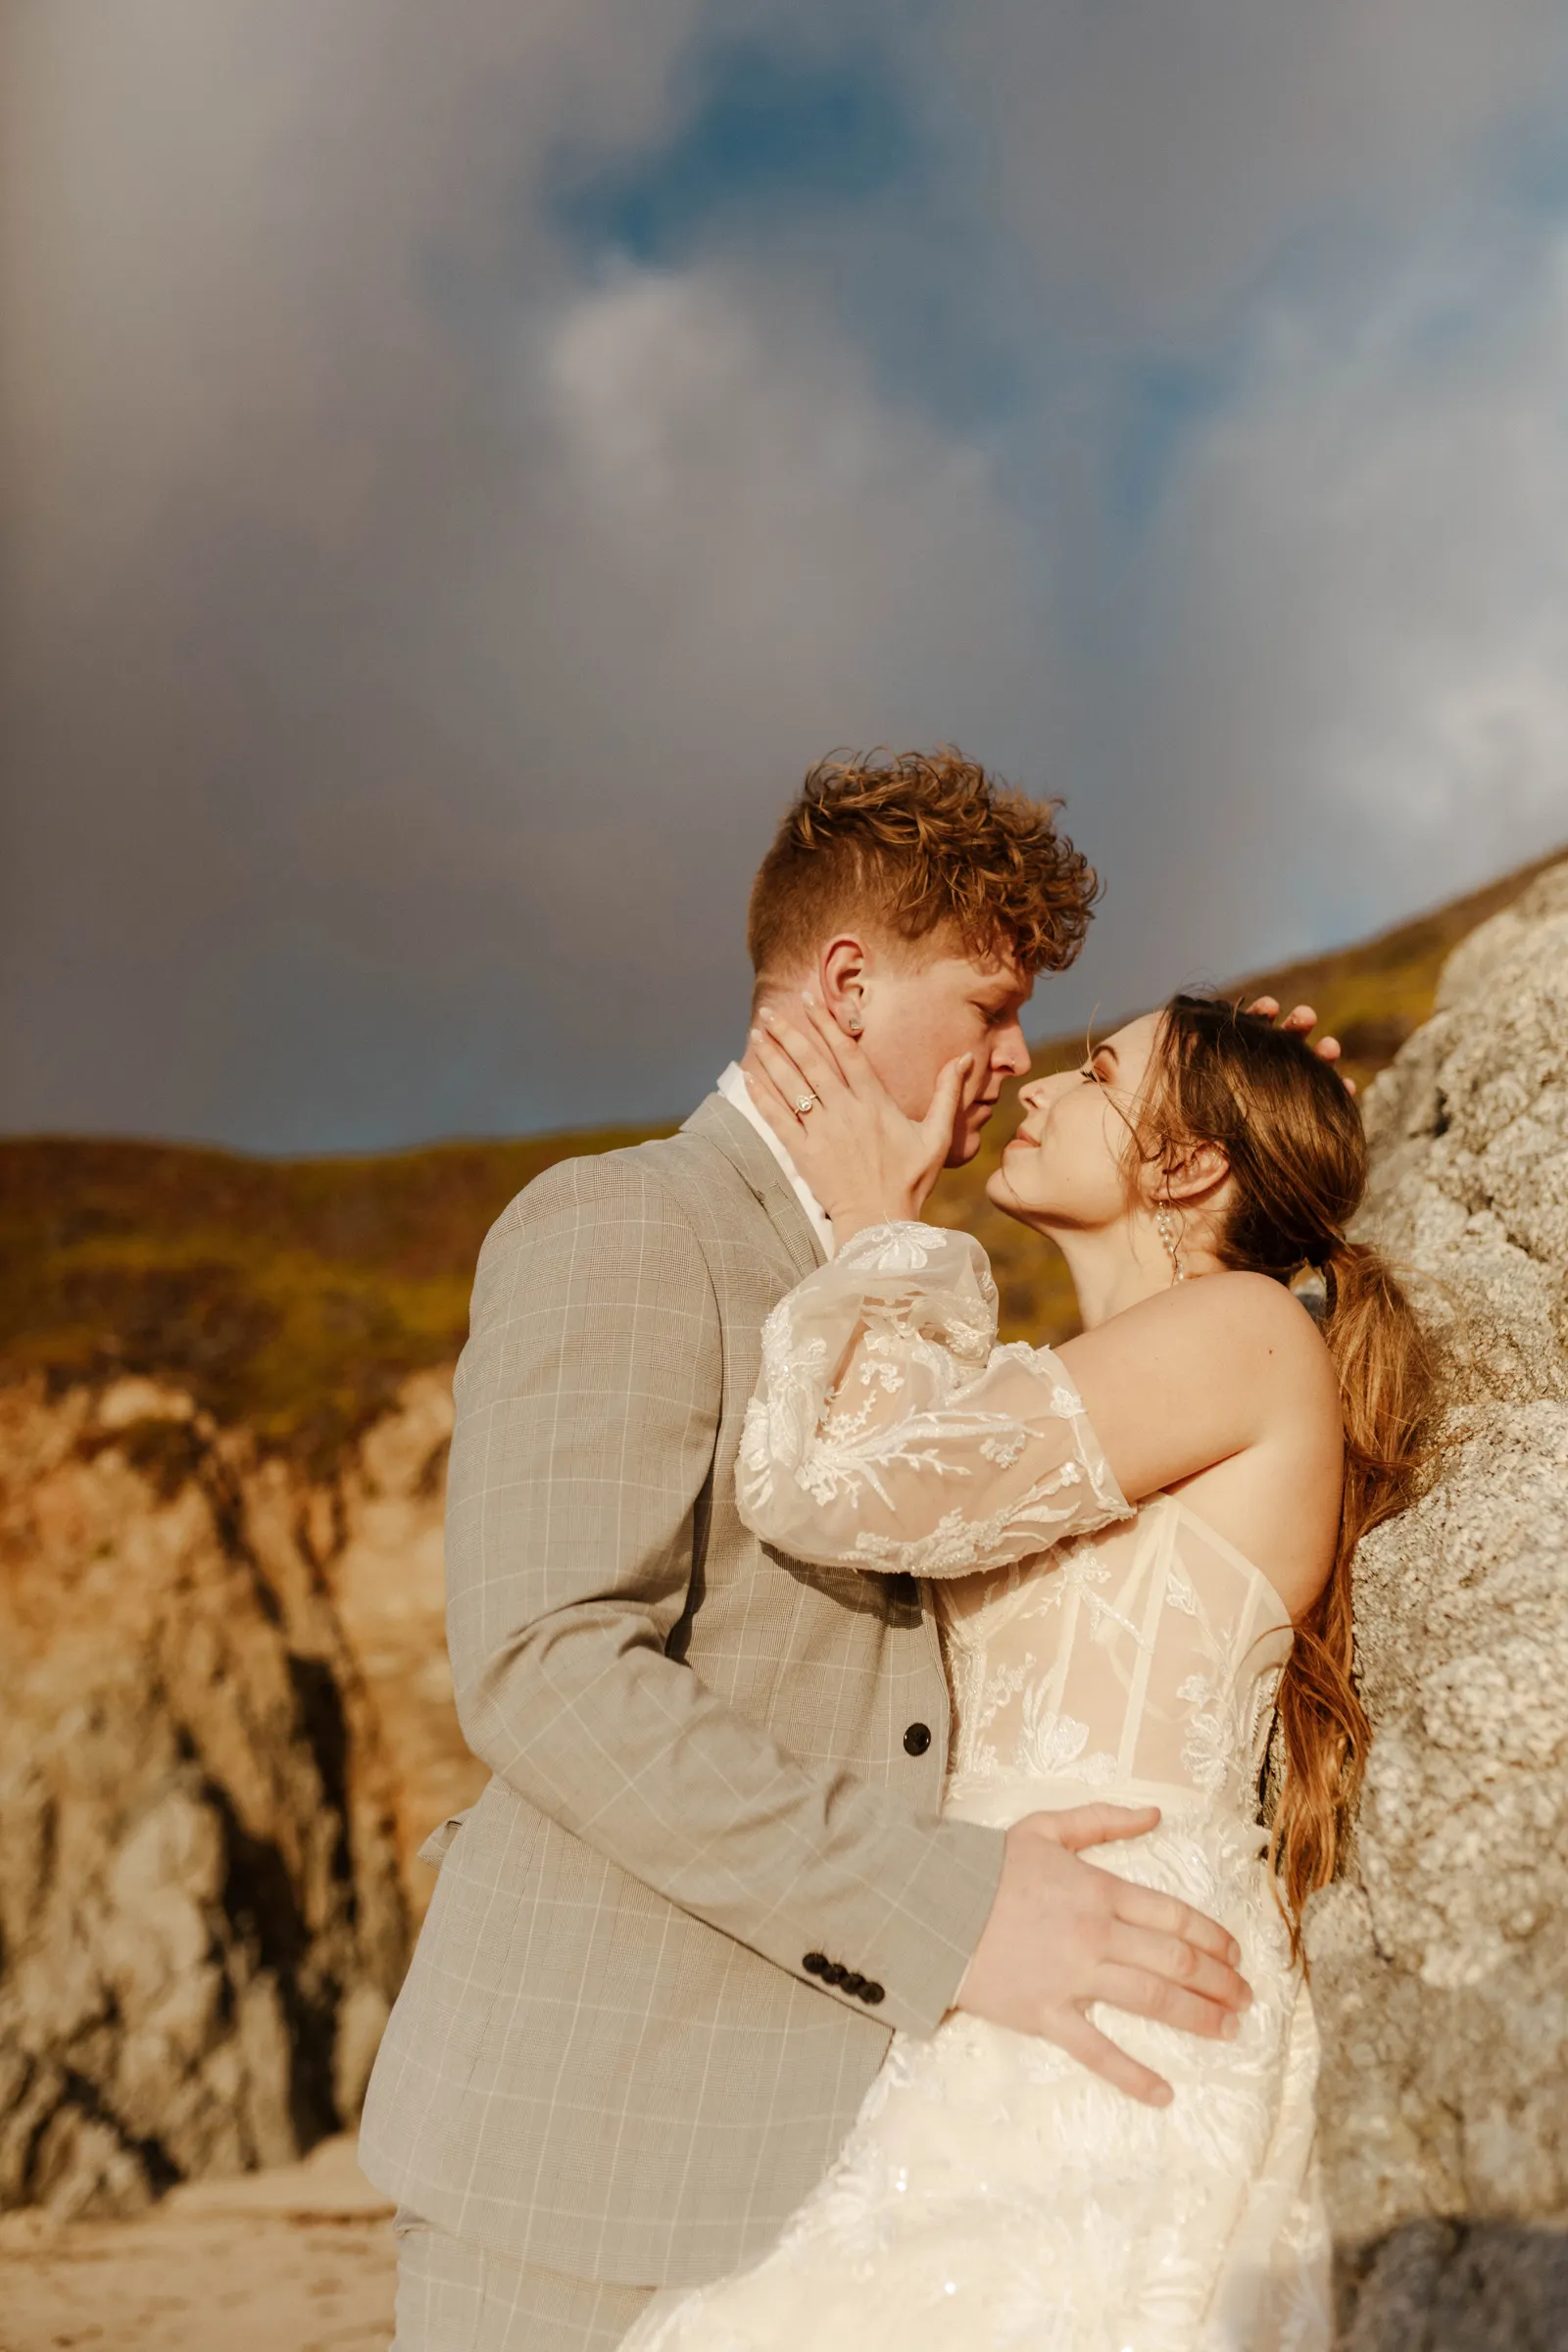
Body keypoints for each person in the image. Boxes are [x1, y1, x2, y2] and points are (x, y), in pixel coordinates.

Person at [360, 749, 1339, 2351]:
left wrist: (1264, 1135)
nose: (1019, 1062)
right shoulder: (626, 1225)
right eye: (993, 1006)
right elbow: (547, 1674)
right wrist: (952, 1910)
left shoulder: (940, 1312)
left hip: (906, 2140)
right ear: (847, 983)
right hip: (595, 2152)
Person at [616, 989, 1433, 2350]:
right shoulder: (1102, 1375)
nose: (1039, 1089)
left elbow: (838, 1481)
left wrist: (889, 1213)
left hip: (1112, 1960)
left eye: (1100, 1072)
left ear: (1184, 1163)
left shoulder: (1245, 1332)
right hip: (994, 1943)